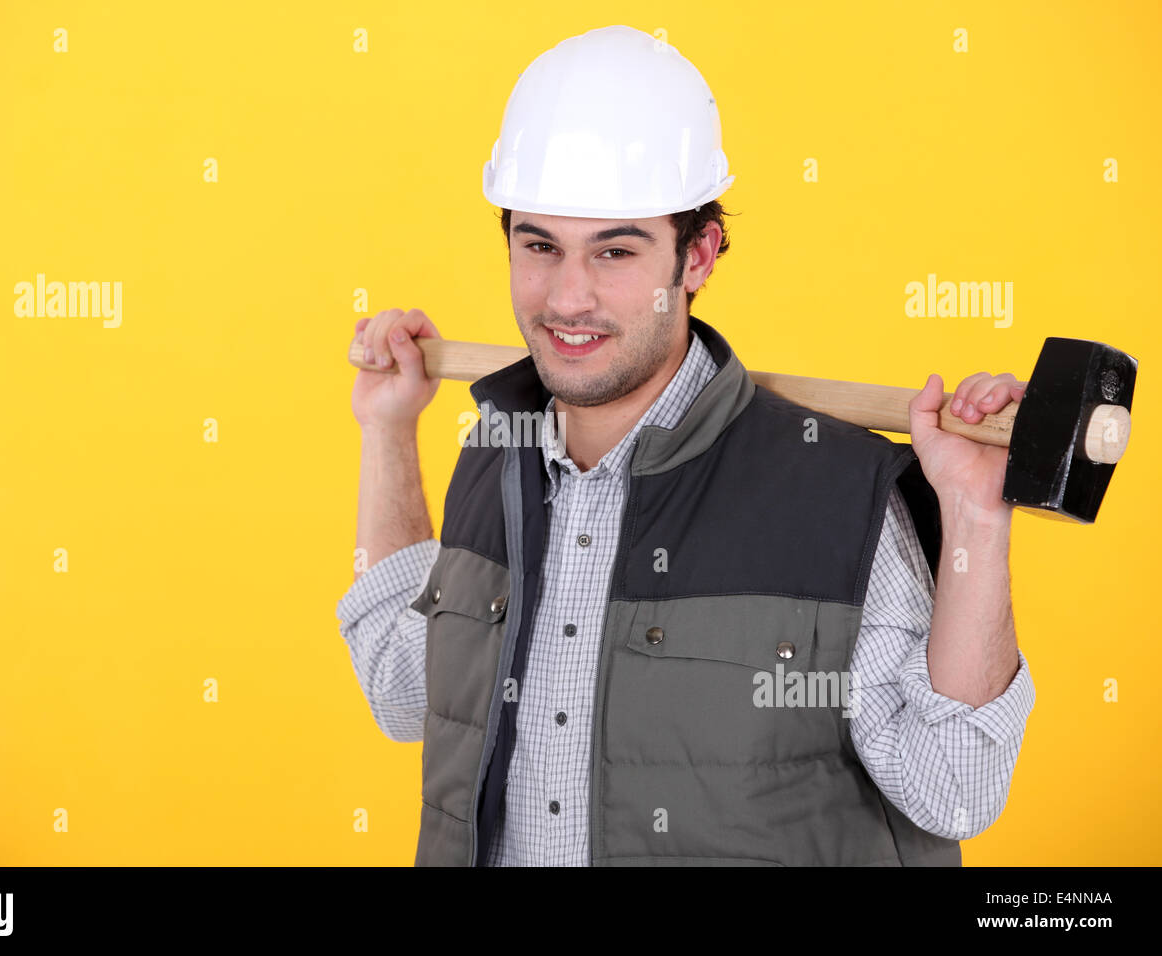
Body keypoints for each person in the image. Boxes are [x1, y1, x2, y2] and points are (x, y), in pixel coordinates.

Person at [337, 24, 1034, 866]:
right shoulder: (498, 449)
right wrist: (387, 430)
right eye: (539, 245)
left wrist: (977, 517)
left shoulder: (840, 495)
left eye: (616, 251)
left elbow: (952, 787)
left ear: (697, 255)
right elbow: (407, 694)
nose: (567, 296)